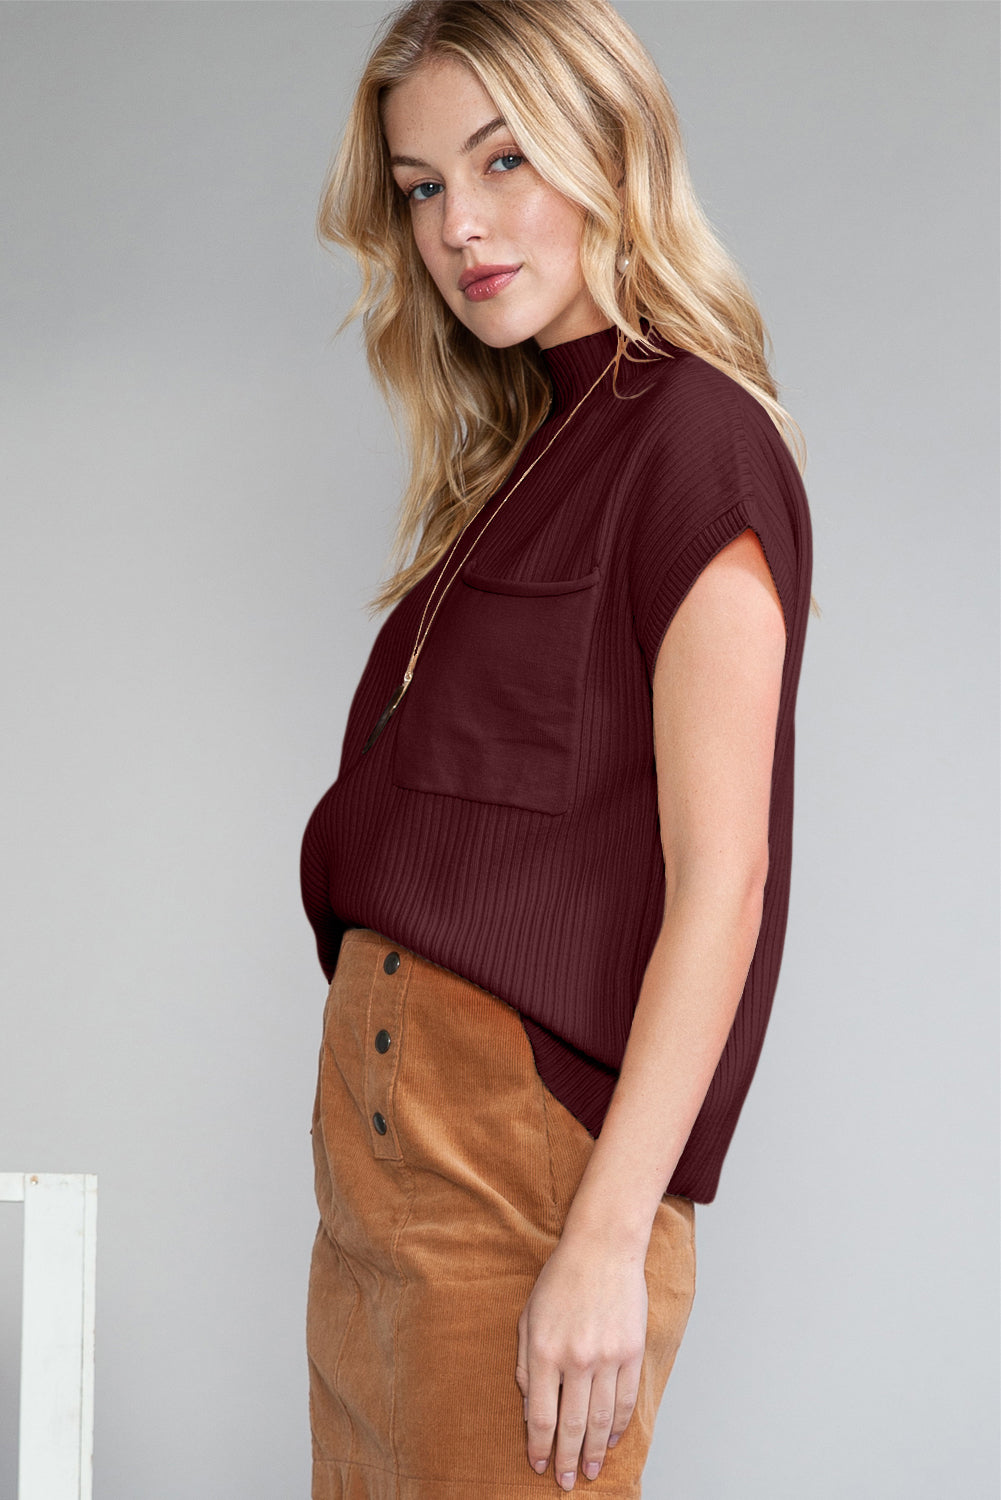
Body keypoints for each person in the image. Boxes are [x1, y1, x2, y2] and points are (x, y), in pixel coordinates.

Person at [300, 1, 813, 1495]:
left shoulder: (695, 440)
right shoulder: (516, 459)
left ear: (607, 140)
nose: (460, 224)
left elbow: (722, 883)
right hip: (375, 1183)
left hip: (519, 1179)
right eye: (421, 186)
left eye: (503, 158)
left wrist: (602, 1237)